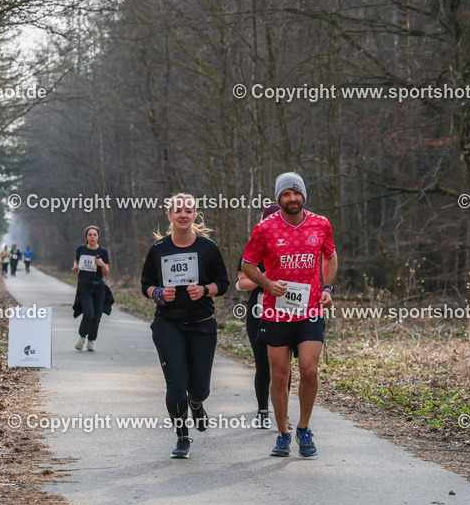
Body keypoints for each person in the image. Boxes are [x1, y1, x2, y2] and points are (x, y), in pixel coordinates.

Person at [241, 172, 337, 458]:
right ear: (278, 198)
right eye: (285, 194)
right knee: (280, 376)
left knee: (309, 370)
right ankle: (283, 433)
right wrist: (268, 283)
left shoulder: (321, 224)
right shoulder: (265, 228)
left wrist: (328, 287)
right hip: (275, 312)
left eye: (296, 193)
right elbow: (247, 264)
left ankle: (303, 428)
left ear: (303, 195)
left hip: (309, 310)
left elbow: (330, 255)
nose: (291, 198)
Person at [141, 193, 229, 459]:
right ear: (169, 215)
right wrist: (158, 294)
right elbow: (145, 284)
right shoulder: (159, 250)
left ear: (194, 215)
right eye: (177, 210)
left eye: (188, 211)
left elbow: (222, 283)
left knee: (199, 388)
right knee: (176, 385)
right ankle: (182, 437)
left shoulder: (208, 248)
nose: (183, 214)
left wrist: (204, 290)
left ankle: (197, 402)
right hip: (169, 324)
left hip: (202, 324)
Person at [235, 202, 292, 430]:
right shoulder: (254, 248)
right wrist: (266, 278)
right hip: (259, 313)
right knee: (263, 365)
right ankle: (262, 410)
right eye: (270, 221)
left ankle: (283, 413)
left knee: (284, 367)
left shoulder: (294, 248)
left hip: (288, 311)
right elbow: (241, 283)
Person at [71, 226, 110, 351]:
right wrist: (75, 267)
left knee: (97, 316)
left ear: (98, 237)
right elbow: (76, 260)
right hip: (84, 286)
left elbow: (106, 272)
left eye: (94, 235)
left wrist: (102, 264)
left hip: (99, 287)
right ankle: (82, 337)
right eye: (90, 235)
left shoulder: (103, 252)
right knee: (89, 313)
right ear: (86, 237)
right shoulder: (81, 249)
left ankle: (91, 341)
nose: (92, 237)